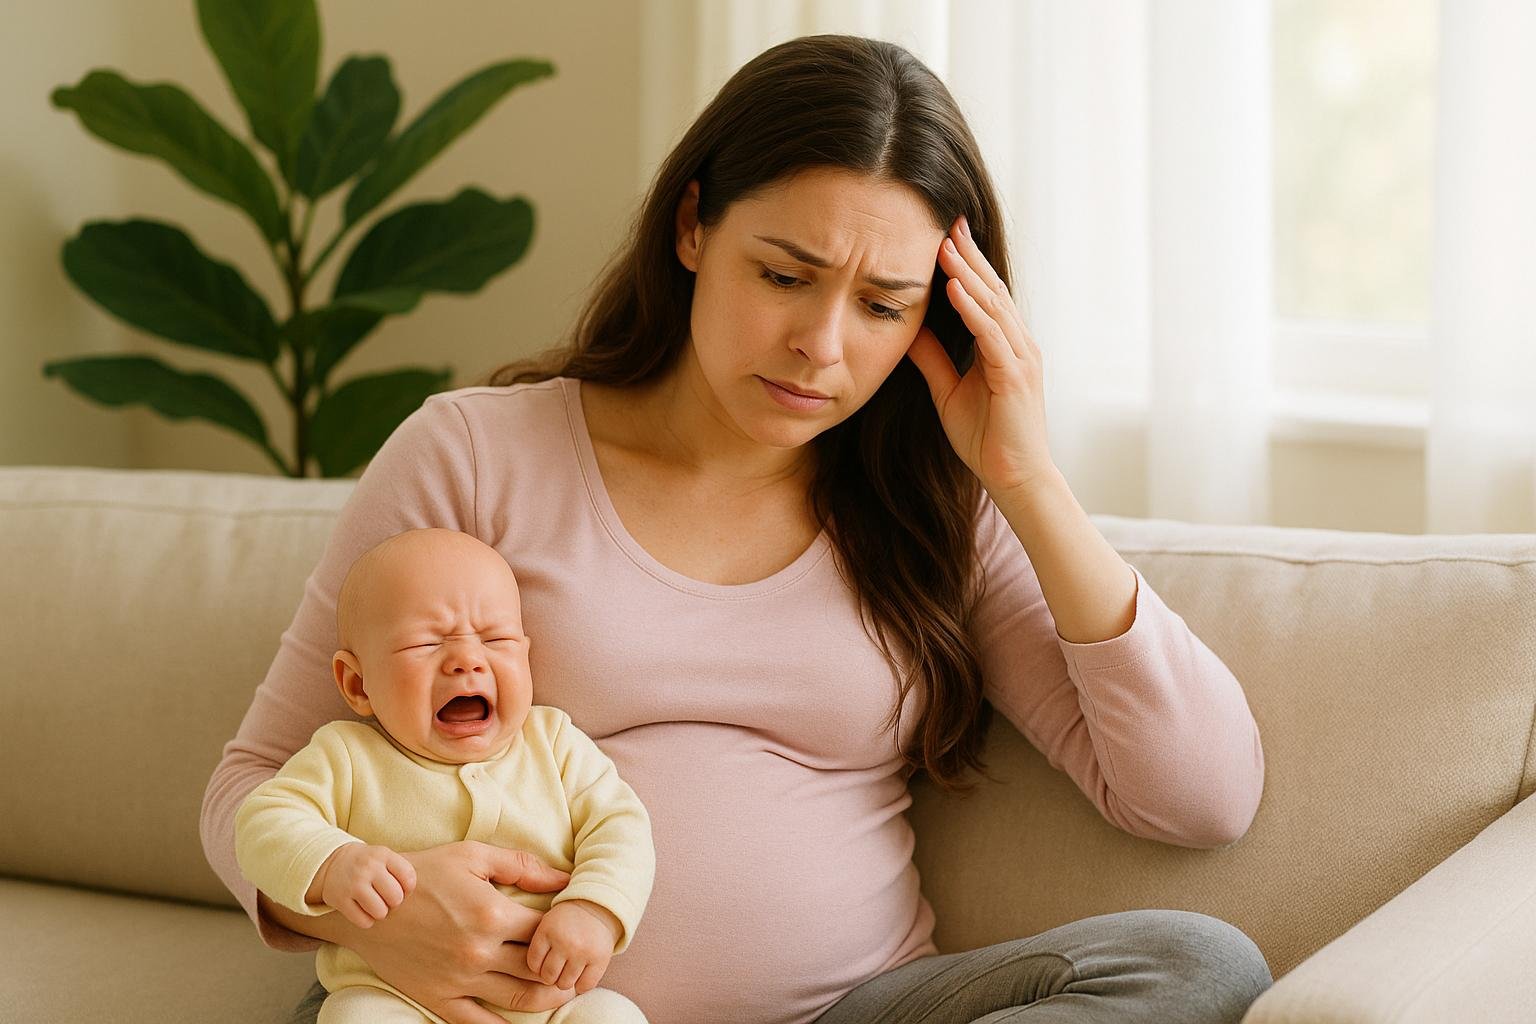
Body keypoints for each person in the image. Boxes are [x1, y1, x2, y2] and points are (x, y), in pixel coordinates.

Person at [201, 32, 1273, 1024]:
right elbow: (251, 781)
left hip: (851, 1007)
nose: (821, 344)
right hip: (499, 1016)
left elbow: (1199, 798)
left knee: (1197, 963)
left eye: (883, 305)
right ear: (692, 225)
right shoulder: (477, 457)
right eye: (783, 275)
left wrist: (1027, 479)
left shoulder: (933, 504)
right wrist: (367, 914)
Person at [234, 528, 653, 1024]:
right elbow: (262, 820)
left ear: (525, 654)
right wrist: (333, 863)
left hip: (552, 1004)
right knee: (355, 1017)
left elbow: (621, 825)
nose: (467, 660)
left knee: (613, 1017)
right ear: (357, 683)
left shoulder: (554, 743)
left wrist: (594, 910)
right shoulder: (345, 756)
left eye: (495, 639)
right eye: (426, 642)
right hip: (400, 998)